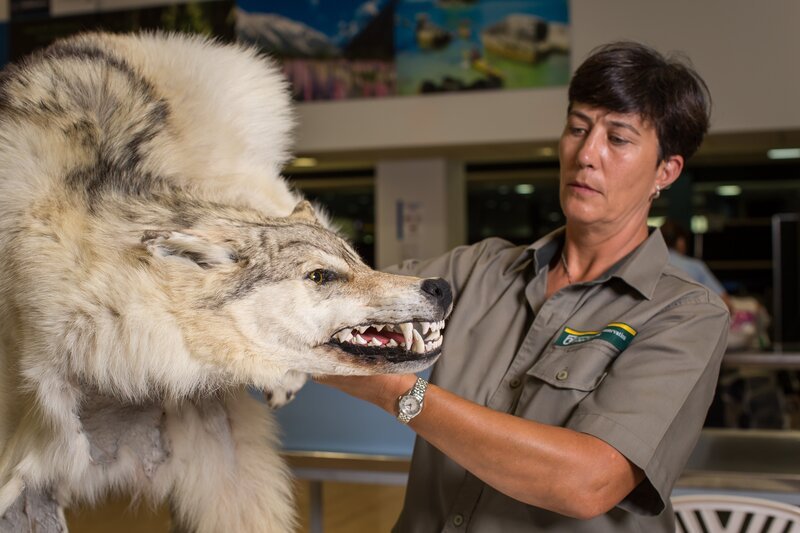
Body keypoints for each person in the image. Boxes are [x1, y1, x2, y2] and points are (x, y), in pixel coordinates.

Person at [318, 41, 730, 532]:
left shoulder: (685, 313)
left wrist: (397, 392)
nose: (586, 153)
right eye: (577, 128)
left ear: (666, 170)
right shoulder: (475, 271)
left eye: (617, 139)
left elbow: (588, 482)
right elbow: (342, 300)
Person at [660, 218, 733, 311]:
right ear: (680, 241)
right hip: (691, 321)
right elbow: (725, 302)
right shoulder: (694, 266)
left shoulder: (649, 266)